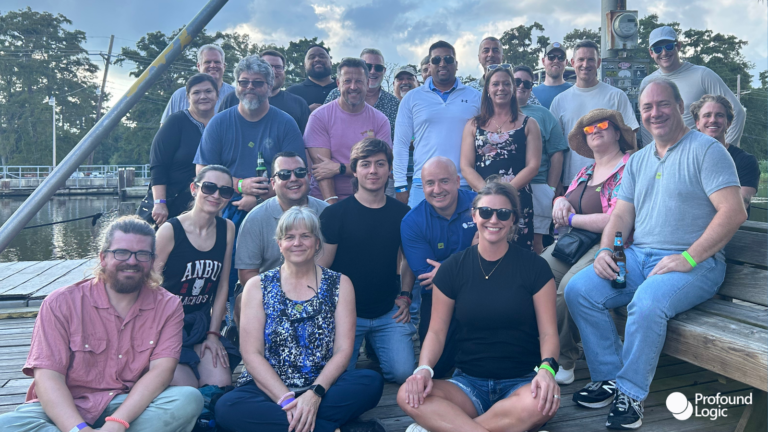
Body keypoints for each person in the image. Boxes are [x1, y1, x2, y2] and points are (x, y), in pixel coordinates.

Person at [565, 79, 746, 429]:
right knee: (579, 289)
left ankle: (631, 395)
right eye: (647, 107)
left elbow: (733, 211)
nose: (655, 113)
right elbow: (621, 216)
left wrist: (689, 258)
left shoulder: (707, 150)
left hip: (697, 264)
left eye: (663, 104)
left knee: (646, 302)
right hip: (640, 256)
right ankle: (609, 377)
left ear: (679, 106)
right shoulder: (639, 160)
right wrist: (609, 251)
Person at [0, 216, 203, 432]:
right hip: (66, 406)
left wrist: (117, 423)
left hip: (128, 405)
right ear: (103, 257)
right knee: (7, 425)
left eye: (142, 254)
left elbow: (161, 373)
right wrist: (78, 429)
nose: (132, 261)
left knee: (189, 399)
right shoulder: (60, 302)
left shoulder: (169, 305)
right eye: (121, 252)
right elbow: (48, 378)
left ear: (152, 261)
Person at [398, 181, 560, 432]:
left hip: (522, 383)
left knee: (542, 403)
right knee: (407, 394)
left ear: (513, 219)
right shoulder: (452, 268)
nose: (493, 219)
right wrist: (423, 370)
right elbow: (436, 332)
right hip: (468, 384)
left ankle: (449, 427)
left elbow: (549, 332)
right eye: (485, 212)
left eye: (503, 213)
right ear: (474, 215)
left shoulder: (535, 268)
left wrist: (547, 371)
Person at [214, 207, 386, 432]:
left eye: (305, 236)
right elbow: (251, 354)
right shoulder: (257, 286)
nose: (297, 243)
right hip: (269, 389)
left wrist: (314, 394)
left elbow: (343, 350)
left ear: (317, 243)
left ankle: (294, 423)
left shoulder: (340, 283)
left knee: (370, 382)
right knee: (227, 407)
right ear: (279, 244)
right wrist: (286, 401)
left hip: (323, 386)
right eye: (289, 237)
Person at [540, 109, 635, 386]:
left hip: (613, 244)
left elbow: (615, 218)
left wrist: (570, 217)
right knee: (538, 272)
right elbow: (566, 198)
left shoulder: (628, 168)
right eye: (589, 130)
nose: (595, 131)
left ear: (618, 133)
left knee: (568, 286)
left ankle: (565, 359)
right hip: (576, 243)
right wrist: (559, 202)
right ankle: (546, 348)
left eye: (602, 125)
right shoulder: (586, 170)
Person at [319, 138, 415, 384]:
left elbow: (408, 259)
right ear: (355, 170)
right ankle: (365, 346)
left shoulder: (403, 214)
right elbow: (322, 268)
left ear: (389, 170)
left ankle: (375, 345)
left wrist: (405, 294)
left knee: (403, 373)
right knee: (339, 377)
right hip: (346, 314)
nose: (373, 171)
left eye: (380, 164)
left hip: (387, 311)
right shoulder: (334, 214)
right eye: (366, 164)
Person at [153, 165, 239, 388]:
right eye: (209, 188)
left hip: (199, 326)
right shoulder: (170, 231)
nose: (216, 195)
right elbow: (148, 287)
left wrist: (213, 334)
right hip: (165, 327)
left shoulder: (227, 228)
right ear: (194, 188)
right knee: (188, 389)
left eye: (225, 191)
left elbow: (222, 286)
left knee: (220, 385)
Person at [400, 157, 476, 379]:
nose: (437, 189)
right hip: (438, 296)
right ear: (422, 186)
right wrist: (471, 255)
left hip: (481, 289)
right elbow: (426, 277)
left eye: (444, 181)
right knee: (439, 368)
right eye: (430, 183)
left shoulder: (478, 205)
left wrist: (444, 267)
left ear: (457, 181)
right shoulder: (412, 221)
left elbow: (496, 254)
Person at [461, 65, 542, 251]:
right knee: (485, 249)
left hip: (518, 198)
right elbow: (466, 166)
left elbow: (533, 166)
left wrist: (506, 193)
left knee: (519, 253)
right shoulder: (474, 125)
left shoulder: (530, 124)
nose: (501, 88)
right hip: (484, 202)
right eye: (495, 84)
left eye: (506, 84)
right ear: (488, 89)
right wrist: (489, 195)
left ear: (513, 89)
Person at [235, 151, 329, 308]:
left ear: (309, 177)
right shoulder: (255, 219)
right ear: (273, 183)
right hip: (269, 292)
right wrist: (282, 298)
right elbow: (247, 274)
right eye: (284, 174)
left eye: (299, 172)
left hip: (319, 288)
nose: (293, 178)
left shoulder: (327, 213)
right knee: (243, 300)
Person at [394, 40, 481, 208]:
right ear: (429, 65)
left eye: (448, 59)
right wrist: (400, 184)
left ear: (456, 64)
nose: (442, 63)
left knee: (465, 234)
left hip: (464, 182)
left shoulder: (475, 97)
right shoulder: (412, 98)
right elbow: (401, 144)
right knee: (421, 232)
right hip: (423, 183)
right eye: (436, 60)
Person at [550, 40, 639, 186]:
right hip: (572, 181)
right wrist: (557, 183)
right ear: (572, 62)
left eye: (591, 59)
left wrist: (630, 177)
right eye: (581, 60)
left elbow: (631, 140)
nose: (585, 64)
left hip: (613, 179)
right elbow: (555, 148)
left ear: (598, 63)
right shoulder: (559, 101)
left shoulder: (616, 96)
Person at [640, 26, 745, 147]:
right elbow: (646, 125)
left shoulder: (702, 75)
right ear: (651, 52)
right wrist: (650, 155)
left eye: (669, 46)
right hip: (663, 159)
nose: (664, 53)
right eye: (658, 49)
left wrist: (727, 150)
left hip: (697, 156)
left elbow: (737, 111)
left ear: (678, 46)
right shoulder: (647, 83)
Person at [306, 57, 392, 203]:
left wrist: (339, 168)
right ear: (338, 84)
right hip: (325, 199)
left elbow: (380, 166)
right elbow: (323, 171)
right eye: (347, 81)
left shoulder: (380, 120)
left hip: (368, 199)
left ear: (367, 83)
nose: (353, 87)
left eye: (359, 81)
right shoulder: (320, 117)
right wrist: (332, 207)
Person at [138, 74, 219, 227]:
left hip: (205, 205)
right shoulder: (176, 122)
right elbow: (158, 165)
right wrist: (160, 203)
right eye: (196, 92)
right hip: (170, 205)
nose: (203, 96)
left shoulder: (221, 124)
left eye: (208, 91)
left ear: (217, 95)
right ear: (188, 97)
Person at [514, 65, 569, 254]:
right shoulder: (496, 113)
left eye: (527, 83)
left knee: (537, 245)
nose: (521, 86)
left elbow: (557, 152)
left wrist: (550, 189)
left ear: (531, 88)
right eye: (516, 81)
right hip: (505, 186)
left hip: (537, 186)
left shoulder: (543, 114)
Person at [691, 94, 759, 214]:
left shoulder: (746, 161)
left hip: (735, 232)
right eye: (707, 115)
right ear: (697, 123)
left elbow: (739, 206)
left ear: (728, 123)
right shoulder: (686, 158)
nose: (713, 120)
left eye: (719, 115)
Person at [219, 50, 311, 133]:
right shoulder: (231, 99)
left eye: (278, 67)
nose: (273, 71)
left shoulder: (298, 104)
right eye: (268, 66)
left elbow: (307, 143)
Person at [324, 49, 400, 141]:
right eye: (368, 67)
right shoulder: (335, 94)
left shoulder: (394, 103)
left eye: (378, 68)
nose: (372, 71)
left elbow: (398, 139)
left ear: (384, 71)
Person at [161, 44, 234, 123]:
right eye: (207, 62)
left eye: (217, 62)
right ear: (199, 66)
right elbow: (165, 127)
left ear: (224, 66)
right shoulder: (179, 95)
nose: (213, 65)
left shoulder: (236, 95)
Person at [466, 37, 540, 106]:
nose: (491, 54)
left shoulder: (518, 86)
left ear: (502, 57)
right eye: (486, 51)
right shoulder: (469, 90)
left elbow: (537, 112)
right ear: (479, 58)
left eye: (495, 51)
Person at [287, 45, 337, 112]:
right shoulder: (292, 93)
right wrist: (305, 112)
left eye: (322, 56)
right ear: (305, 65)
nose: (317, 59)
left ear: (330, 63)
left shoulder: (345, 89)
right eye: (312, 57)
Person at [532, 42, 573, 109]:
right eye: (551, 57)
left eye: (561, 57)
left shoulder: (575, 91)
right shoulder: (531, 94)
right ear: (543, 61)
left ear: (566, 62)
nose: (556, 61)